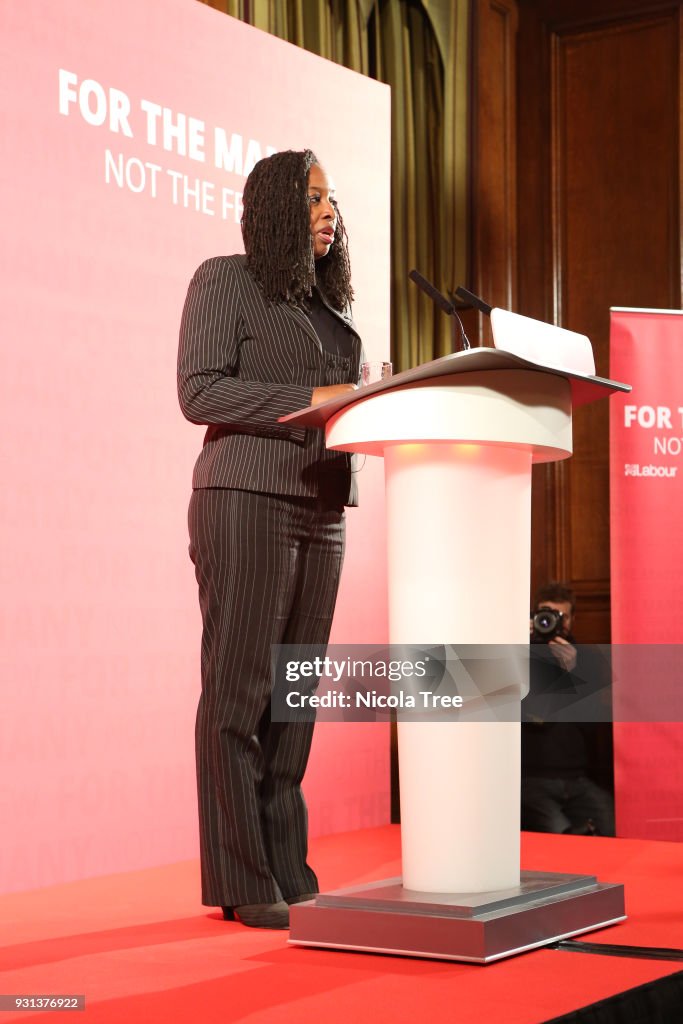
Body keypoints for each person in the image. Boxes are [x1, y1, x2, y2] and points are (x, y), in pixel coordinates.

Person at [177, 150, 362, 929]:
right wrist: (315, 397)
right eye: (313, 197)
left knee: (293, 695)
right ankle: (242, 877)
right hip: (246, 495)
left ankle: (287, 865)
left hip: (321, 504)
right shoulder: (225, 278)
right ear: (277, 208)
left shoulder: (330, 310)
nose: (328, 210)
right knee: (241, 689)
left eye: (331, 198)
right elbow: (200, 390)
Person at [521, 582, 615, 836]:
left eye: (559, 617)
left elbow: (591, 722)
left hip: (577, 778)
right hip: (533, 778)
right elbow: (537, 718)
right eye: (545, 616)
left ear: (572, 619)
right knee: (557, 831)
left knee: (608, 823)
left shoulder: (587, 659)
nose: (550, 623)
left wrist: (572, 672)